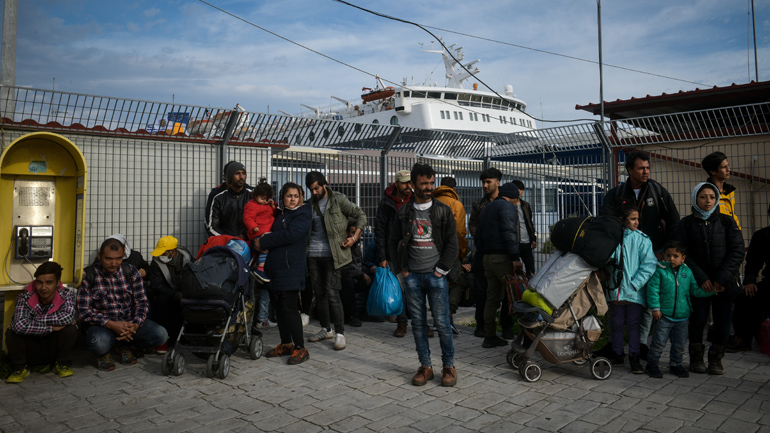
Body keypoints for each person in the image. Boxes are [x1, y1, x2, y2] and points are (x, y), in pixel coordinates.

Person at [600, 151, 680, 359]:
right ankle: (614, 345)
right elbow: (605, 225)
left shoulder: (657, 192)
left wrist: (666, 249)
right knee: (615, 301)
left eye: (647, 168)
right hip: (621, 257)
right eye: (641, 168)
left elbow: (673, 219)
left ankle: (641, 344)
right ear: (630, 170)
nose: (646, 172)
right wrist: (607, 256)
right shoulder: (616, 194)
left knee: (645, 300)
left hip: (650, 254)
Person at [389, 163, 459, 387]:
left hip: (435, 276)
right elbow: (393, 242)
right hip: (412, 277)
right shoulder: (404, 211)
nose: (429, 187)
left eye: (431, 182)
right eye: (424, 183)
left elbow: (452, 244)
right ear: (413, 185)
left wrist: (441, 270)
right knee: (418, 324)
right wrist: (401, 269)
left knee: (442, 323)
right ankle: (425, 366)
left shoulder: (442, 210)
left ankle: (448, 366)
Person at [675, 182, 744, 375]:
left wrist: (721, 278)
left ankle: (716, 360)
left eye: (712, 197)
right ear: (695, 198)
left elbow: (737, 251)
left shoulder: (727, 222)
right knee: (698, 320)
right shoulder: (686, 224)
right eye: (703, 196)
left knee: (722, 321)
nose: (708, 201)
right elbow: (683, 253)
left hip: (724, 284)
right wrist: (702, 277)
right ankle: (696, 359)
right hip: (698, 283)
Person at [77, 238, 168, 371]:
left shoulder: (131, 272)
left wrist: (135, 324)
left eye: (118, 259)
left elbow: (142, 302)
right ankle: (105, 352)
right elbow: (84, 311)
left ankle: (125, 345)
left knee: (161, 334)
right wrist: (111, 324)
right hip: (103, 326)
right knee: (100, 344)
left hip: (129, 323)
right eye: (108, 259)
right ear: (99, 256)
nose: (114, 263)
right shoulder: (88, 275)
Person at [305, 171, 367, 351]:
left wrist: (354, 237)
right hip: (313, 255)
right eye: (311, 189)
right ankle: (326, 329)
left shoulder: (338, 199)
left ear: (324, 184)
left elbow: (361, 215)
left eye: (316, 188)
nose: (314, 192)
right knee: (320, 293)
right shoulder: (309, 205)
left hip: (334, 255)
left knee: (332, 292)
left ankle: (340, 332)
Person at [253, 182, 313, 365]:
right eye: (289, 196)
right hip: (275, 268)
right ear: (283, 198)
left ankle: (301, 347)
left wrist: (264, 242)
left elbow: (291, 235)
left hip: (291, 268)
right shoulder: (280, 214)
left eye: (296, 195)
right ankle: (286, 344)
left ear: (301, 197)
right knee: (279, 307)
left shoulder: (303, 214)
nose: (293, 199)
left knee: (289, 308)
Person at [645, 241, 716, 378]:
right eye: (668, 255)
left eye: (675, 256)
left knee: (679, 344)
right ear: (663, 256)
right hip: (663, 316)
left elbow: (695, 290)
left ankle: (676, 365)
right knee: (658, 342)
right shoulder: (659, 271)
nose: (671, 259)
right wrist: (655, 308)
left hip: (682, 317)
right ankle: (652, 364)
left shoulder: (688, 272)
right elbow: (652, 290)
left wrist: (713, 291)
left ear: (683, 258)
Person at [604, 204, 657, 374]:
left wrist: (636, 284)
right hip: (616, 290)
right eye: (633, 219)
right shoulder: (613, 239)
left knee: (634, 324)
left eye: (637, 219)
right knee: (616, 323)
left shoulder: (642, 239)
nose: (636, 222)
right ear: (622, 219)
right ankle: (617, 353)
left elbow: (649, 265)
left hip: (633, 291)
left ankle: (634, 356)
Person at [5, 262, 77, 383]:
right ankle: (20, 367)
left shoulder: (66, 295)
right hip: (32, 347)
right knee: (12, 332)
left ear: (57, 283)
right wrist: (51, 328)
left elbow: (68, 318)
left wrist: (31, 321)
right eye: (39, 282)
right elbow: (18, 326)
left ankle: (61, 364)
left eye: (49, 282)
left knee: (70, 330)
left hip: (52, 347)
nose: (43, 287)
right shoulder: (24, 297)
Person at [474, 182, 521, 348]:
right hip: (503, 258)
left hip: (487, 257)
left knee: (492, 298)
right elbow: (509, 232)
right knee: (516, 295)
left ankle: (490, 335)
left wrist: (485, 251)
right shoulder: (508, 207)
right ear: (514, 197)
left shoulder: (487, 208)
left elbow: (477, 235)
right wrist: (515, 257)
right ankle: (526, 335)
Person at [374, 169, 413, 337]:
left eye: (410, 182)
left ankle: (421, 322)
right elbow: (380, 231)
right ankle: (402, 322)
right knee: (400, 290)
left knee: (418, 289)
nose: (408, 186)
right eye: (405, 182)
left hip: (415, 251)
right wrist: (382, 257)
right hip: (395, 253)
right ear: (397, 183)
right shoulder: (386, 203)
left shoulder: (417, 200)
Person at [728, 204, 770, 352]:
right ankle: (743, 338)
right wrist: (749, 281)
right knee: (745, 296)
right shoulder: (762, 236)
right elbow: (753, 262)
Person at [468, 167, 503, 338]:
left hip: (502, 252)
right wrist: (480, 239)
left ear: (498, 182)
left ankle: (506, 326)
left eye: (488, 182)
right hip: (483, 252)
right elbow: (472, 224)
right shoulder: (479, 204)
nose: (485, 185)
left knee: (505, 291)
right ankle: (481, 325)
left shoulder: (506, 202)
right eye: (483, 182)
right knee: (481, 290)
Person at [434, 176, 468, 335]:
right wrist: (461, 252)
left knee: (436, 282)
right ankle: (448, 314)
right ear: (454, 189)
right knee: (456, 282)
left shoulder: (431, 202)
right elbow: (460, 232)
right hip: (450, 250)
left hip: (431, 250)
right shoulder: (456, 204)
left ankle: (436, 318)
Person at [244, 178, 279, 328]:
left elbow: (274, 213)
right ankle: (260, 268)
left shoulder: (268, 205)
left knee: (266, 287)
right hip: (259, 235)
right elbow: (248, 218)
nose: (264, 202)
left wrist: (274, 206)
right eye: (262, 199)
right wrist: (254, 228)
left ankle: (262, 318)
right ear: (255, 195)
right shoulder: (251, 205)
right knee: (264, 247)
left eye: (267, 199)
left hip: (268, 234)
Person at [148, 235, 193, 352]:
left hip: (186, 292)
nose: (161, 256)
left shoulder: (188, 260)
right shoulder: (156, 263)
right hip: (168, 294)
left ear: (173, 252)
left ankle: (187, 338)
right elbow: (156, 285)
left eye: (163, 253)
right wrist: (175, 294)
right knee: (161, 301)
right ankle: (162, 341)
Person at [207, 161, 252, 240]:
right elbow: (213, 227)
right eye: (237, 173)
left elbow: (262, 219)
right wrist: (229, 239)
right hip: (226, 243)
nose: (241, 177)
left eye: (243, 173)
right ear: (229, 177)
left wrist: (245, 235)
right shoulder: (219, 198)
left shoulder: (253, 195)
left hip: (250, 241)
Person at [340, 218, 371, 327]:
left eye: (357, 233)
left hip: (357, 280)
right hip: (345, 283)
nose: (355, 236)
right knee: (347, 282)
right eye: (353, 233)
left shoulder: (356, 248)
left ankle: (366, 313)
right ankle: (351, 316)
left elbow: (360, 264)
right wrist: (362, 275)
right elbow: (343, 271)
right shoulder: (342, 247)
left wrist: (368, 271)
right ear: (347, 233)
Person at [702, 151, 741, 230]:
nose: (728, 169)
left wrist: (737, 231)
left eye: (728, 165)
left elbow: (732, 214)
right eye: (724, 167)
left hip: (732, 234)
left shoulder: (729, 190)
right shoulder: (706, 194)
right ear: (713, 171)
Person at [511, 180, 538, 278]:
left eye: (521, 189)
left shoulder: (525, 205)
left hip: (526, 242)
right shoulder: (508, 205)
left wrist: (533, 238)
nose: (519, 192)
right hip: (514, 243)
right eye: (517, 189)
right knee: (515, 270)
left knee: (531, 269)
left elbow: (529, 222)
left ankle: (528, 288)